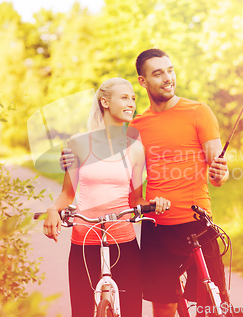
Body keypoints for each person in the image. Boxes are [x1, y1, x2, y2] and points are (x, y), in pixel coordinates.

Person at [61, 49, 230, 317]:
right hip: (155, 227)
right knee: (162, 307)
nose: (167, 78)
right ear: (143, 81)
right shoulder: (134, 127)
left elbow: (218, 172)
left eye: (170, 70)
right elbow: (106, 157)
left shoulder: (199, 112)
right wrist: (71, 159)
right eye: (158, 73)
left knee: (211, 304)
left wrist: (220, 173)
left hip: (196, 223)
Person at [44, 77, 170, 317]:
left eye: (133, 98)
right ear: (104, 101)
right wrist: (53, 210)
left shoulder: (135, 148)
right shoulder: (77, 144)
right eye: (124, 97)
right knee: (81, 312)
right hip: (84, 241)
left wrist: (156, 203)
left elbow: (136, 201)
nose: (131, 103)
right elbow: (67, 194)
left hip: (124, 241)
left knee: (132, 312)